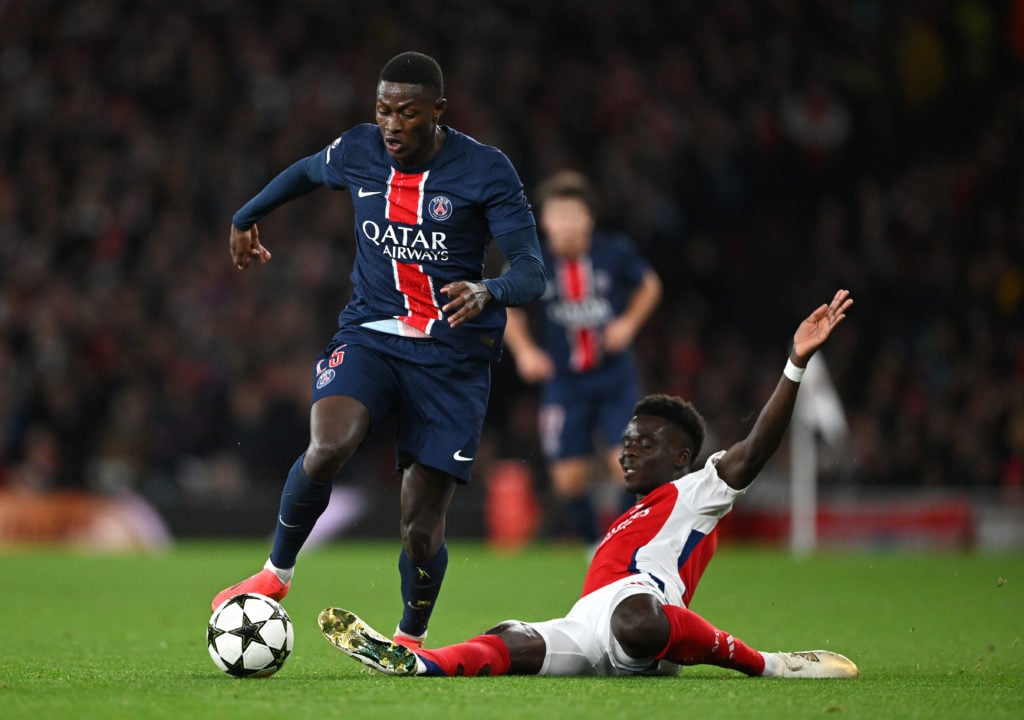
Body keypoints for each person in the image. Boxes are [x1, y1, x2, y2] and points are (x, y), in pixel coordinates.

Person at [319, 290, 859, 679]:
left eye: (644, 444)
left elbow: (755, 450)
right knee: (510, 636)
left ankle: (766, 664)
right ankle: (418, 663)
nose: (627, 450)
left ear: (682, 457)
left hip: (645, 618)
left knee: (635, 618)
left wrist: (794, 364)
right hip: (589, 622)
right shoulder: (629, 514)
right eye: (626, 441)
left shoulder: (697, 491)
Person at [211, 51, 546, 651]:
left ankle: (409, 638)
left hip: (452, 358)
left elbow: (531, 272)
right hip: (370, 334)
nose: (392, 124)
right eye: (384, 110)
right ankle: (276, 574)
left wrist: (487, 288)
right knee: (329, 444)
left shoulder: (485, 170)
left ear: (438, 113)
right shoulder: (360, 150)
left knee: (419, 527)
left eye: (408, 113)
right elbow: (307, 172)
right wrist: (246, 215)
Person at [502, 170, 662, 546]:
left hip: (614, 378)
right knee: (567, 480)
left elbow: (650, 285)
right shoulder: (532, 260)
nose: (566, 224)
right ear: (545, 221)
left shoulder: (613, 252)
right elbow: (505, 305)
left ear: (589, 218)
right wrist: (525, 351)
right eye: (558, 215)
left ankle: (619, 547)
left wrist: (627, 324)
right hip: (565, 382)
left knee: (628, 468)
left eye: (574, 215)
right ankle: (595, 545)